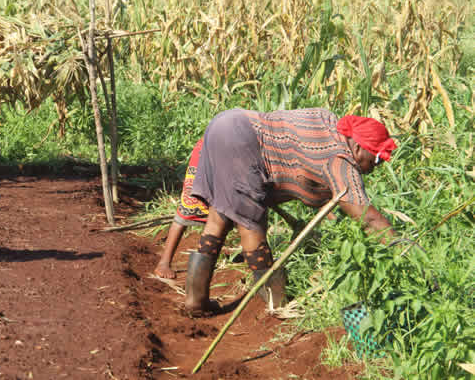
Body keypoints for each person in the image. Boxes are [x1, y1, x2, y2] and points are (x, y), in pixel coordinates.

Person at [184, 108, 397, 313]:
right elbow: (369, 219)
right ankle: (275, 304)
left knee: (218, 216)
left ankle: (196, 300)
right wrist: (403, 249)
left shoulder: (327, 122)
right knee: (251, 225)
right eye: (376, 159)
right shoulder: (340, 160)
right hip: (243, 140)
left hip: (226, 123)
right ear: (358, 147)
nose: (374, 167)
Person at [154, 138, 209, 279]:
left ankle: (203, 266)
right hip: (210, 148)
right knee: (190, 205)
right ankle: (164, 263)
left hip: (228, 150)